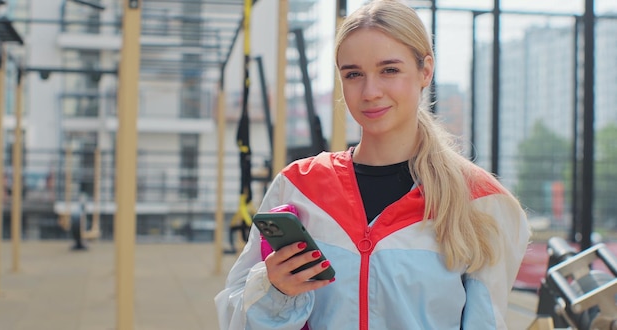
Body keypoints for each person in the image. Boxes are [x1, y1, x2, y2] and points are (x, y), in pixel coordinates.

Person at [215, 0, 531, 329]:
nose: (370, 91)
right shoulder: (297, 187)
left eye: (389, 70)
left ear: (426, 70)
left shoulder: (482, 202)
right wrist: (275, 289)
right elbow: (236, 317)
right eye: (353, 74)